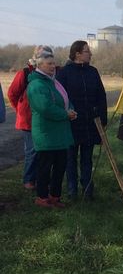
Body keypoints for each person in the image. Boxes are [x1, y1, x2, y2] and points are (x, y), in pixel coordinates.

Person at [56, 41, 107, 200]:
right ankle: (72, 190)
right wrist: (66, 114)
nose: (90, 54)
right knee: (70, 159)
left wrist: (102, 119)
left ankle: (87, 189)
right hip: (71, 123)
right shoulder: (64, 73)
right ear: (77, 53)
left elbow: (101, 96)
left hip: (90, 123)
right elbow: (59, 97)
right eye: (87, 51)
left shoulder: (93, 72)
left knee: (87, 158)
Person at [26, 50, 77, 208]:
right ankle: (42, 197)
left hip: (60, 132)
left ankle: (55, 196)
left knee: (60, 166)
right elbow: (45, 108)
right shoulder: (36, 85)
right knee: (45, 167)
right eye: (49, 64)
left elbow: (65, 99)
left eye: (54, 63)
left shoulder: (54, 82)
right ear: (39, 65)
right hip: (46, 133)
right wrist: (65, 114)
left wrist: (71, 110)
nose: (53, 66)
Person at [8, 45, 53, 190]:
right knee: (32, 151)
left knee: (44, 151)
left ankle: (41, 179)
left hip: (45, 119)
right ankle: (29, 180)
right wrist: (20, 110)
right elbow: (12, 94)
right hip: (28, 120)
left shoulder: (52, 73)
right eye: (44, 55)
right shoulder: (25, 73)